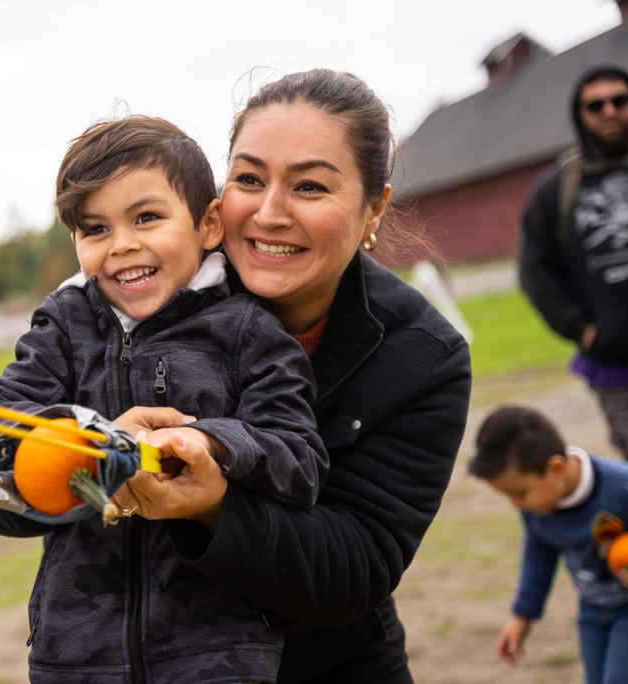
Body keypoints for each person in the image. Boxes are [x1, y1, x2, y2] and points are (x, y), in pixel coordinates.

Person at [110, 68, 472, 683]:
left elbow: (355, 567)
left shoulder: (424, 356)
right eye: (250, 179)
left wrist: (216, 508)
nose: (269, 213)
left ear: (372, 209)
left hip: (330, 664)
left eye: (309, 186)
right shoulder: (137, 299)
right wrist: (81, 441)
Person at [0, 115, 328, 683]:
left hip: (218, 656)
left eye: (146, 218)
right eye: (95, 229)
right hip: (74, 657)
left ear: (207, 224)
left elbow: (299, 457)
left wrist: (205, 442)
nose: (123, 245)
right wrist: (83, 443)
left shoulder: (249, 330)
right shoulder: (62, 328)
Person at [468, 404, 628, 684]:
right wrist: (522, 616)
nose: (515, 504)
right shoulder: (537, 510)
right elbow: (538, 556)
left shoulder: (625, 487)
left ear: (556, 468)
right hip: (592, 608)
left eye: (520, 494)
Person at [519, 64, 628, 462]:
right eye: (595, 105)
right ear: (579, 115)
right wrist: (583, 332)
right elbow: (535, 273)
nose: (609, 111)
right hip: (618, 367)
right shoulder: (558, 189)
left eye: (620, 100)